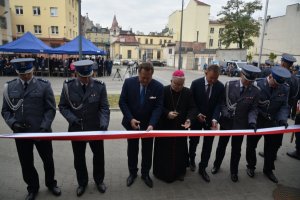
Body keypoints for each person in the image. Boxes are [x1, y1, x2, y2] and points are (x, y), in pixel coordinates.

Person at [1, 58, 61, 200]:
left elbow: (50, 109)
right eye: (22, 74)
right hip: (21, 134)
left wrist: (44, 127)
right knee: (26, 162)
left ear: (33, 69)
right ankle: (32, 188)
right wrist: (14, 124)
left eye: (28, 73)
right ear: (17, 72)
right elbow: (5, 111)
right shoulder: (9, 87)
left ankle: (51, 183)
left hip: (42, 131)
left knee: (48, 160)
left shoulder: (44, 85)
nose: (26, 76)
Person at [58, 60, 110, 196]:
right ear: (76, 74)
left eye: (89, 76)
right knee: (79, 158)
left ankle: (99, 181)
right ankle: (82, 182)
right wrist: (72, 119)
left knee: (99, 156)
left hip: (95, 128)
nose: (87, 79)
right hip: (76, 128)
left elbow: (104, 107)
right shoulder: (68, 86)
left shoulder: (99, 86)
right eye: (83, 76)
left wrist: (104, 122)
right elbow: (62, 106)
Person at [211, 65, 261, 182]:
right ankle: (216, 165)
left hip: (241, 125)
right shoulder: (229, 85)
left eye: (251, 81)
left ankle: (234, 171)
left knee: (236, 150)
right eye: (246, 80)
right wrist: (225, 113)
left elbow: (254, 109)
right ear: (241, 75)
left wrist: (252, 122)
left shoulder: (255, 91)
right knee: (221, 146)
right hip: (226, 123)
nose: (248, 83)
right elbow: (222, 102)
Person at [119, 62, 163, 188]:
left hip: (149, 126)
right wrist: (130, 118)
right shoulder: (128, 83)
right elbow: (122, 102)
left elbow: (158, 107)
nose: (145, 80)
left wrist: (152, 124)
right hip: (131, 124)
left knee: (147, 151)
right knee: (132, 149)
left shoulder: (158, 87)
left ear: (152, 75)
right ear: (138, 73)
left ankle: (145, 174)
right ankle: (132, 173)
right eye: (143, 77)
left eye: (148, 78)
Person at [246, 66, 291, 183]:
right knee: (251, 146)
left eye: (278, 85)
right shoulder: (258, 85)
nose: (276, 87)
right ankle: (251, 166)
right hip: (257, 121)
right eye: (274, 84)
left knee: (271, 148)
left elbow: (284, 106)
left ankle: (268, 169)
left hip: (273, 123)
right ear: (270, 77)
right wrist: (252, 121)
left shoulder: (284, 88)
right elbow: (252, 106)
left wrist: (282, 119)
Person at [153, 70, 196, 183]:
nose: (178, 87)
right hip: (164, 127)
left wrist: (189, 119)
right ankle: (161, 173)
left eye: (181, 84)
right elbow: (158, 106)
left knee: (179, 152)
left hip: (180, 127)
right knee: (163, 152)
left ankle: (179, 173)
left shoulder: (187, 92)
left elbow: (193, 108)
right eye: (175, 84)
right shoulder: (163, 90)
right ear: (171, 81)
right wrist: (167, 113)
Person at [188, 64, 225, 183]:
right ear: (206, 73)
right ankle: (191, 160)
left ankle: (202, 168)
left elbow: (219, 104)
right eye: (211, 78)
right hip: (197, 119)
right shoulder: (195, 83)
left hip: (210, 121)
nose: (213, 81)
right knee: (193, 141)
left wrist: (215, 119)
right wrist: (197, 114)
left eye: (216, 78)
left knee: (208, 145)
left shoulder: (220, 86)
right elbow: (191, 102)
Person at [259, 54, 299, 158]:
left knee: (269, 133)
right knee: (277, 134)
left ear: (283, 63)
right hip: (284, 110)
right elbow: (294, 97)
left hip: (272, 109)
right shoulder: (294, 79)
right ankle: (273, 152)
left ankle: (270, 153)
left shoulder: (273, 73)